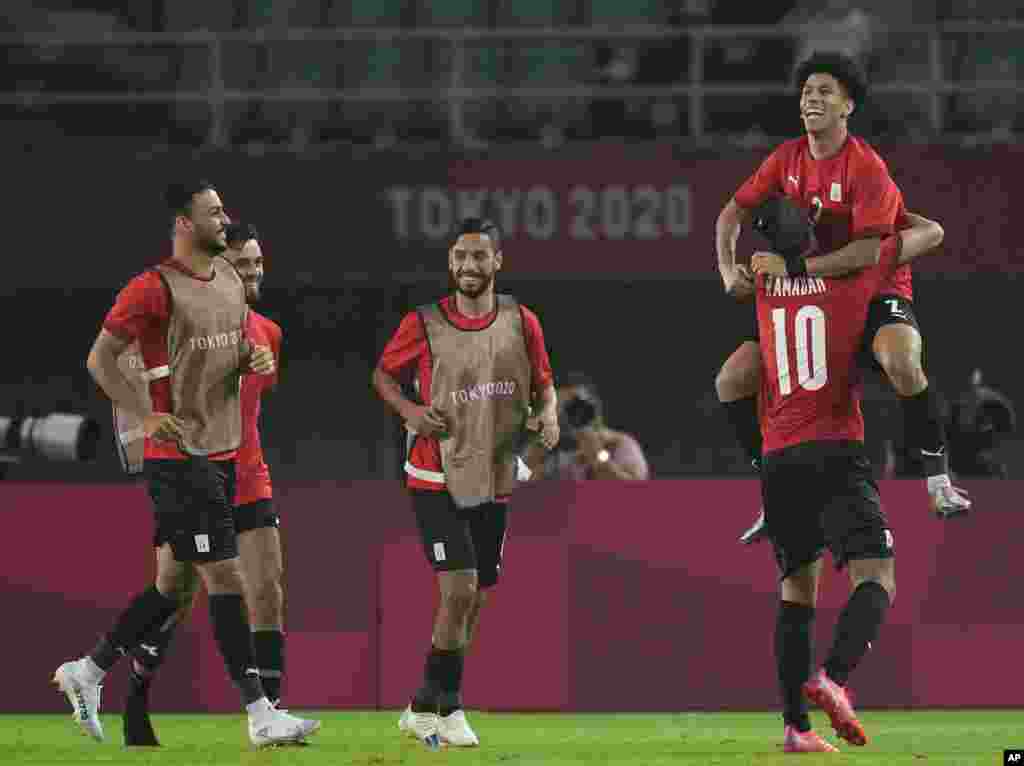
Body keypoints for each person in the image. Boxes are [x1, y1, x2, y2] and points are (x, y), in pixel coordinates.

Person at [54, 181, 318, 748]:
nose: (225, 218)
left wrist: (255, 354)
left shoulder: (225, 279)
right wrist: (144, 418)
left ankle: (90, 670)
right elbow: (99, 360)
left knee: (170, 590)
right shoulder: (152, 289)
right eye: (214, 211)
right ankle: (261, 714)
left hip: (223, 458)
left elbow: (232, 352)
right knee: (227, 578)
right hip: (179, 458)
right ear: (183, 221)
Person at [714, 51, 970, 538]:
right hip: (810, 294)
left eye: (825, 91)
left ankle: (938, 479)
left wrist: (793, 266)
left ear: (848, 106)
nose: (812, 98)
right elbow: (731, 213)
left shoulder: (866, 167)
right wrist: (728, 269)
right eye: (807, 91)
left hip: (869, 289)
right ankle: (774, 490)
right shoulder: (784, 159)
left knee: (900, 360)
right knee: (733, 380)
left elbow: (868, 255)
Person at [371, 217, 558, 749]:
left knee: (475, 599)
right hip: (435, 473)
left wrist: (550, 416)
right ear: (450, 263)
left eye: (479, 256)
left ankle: (421, 706)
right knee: (459, 590)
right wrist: (409, 409)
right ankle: (444, 709)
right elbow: (382, 375)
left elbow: (545, 385)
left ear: (497, 261)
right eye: (459, 257)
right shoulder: (423, 322)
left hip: (495, 474)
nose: (468, 266)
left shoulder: (522, 321)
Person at [117, 222, 291, 746]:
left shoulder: (269, 333)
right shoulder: (183, 327)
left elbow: (253, 404)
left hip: (248, 477)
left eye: (259, 264)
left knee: (268, 591)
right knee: (174, 595)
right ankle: (134, 697)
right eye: (243, 265)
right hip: (193, 476)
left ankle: (272, 714)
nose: (253, 273)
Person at [749, 212, 903, 753]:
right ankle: (834, 676)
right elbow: (917, 239)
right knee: (877, 572)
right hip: (834, 447)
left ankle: (795, 728)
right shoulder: (847, 281)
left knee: (796, 589)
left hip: (778, 456)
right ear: (813, 237)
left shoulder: (763, 285)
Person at [523, 371, 649, 481]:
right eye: (558, 410)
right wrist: (536, 455)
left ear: (594, 410)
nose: (566, 419)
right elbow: (518, 497)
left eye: (574, 409)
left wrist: (599, 457)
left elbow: (635, 498)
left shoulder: (619, 445)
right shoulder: (539, 449)